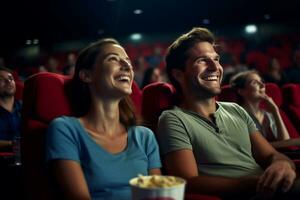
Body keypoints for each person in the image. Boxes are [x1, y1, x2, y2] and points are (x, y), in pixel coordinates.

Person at [156, 27, 299, 199]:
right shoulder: (173, 118)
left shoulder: (236, 109)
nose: (214, 67)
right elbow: (189, 180)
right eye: (202, 60)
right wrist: (257, 183)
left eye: (216, 59)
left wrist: (282, 164)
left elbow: (270, 155)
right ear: (179, 75)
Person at [46, 38, 161, 200]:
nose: (127, 66)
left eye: (128, 61)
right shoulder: (65, 129)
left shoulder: (145, 136)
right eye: (113, 59)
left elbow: (157, 195)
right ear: (86, 75)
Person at [230, 70, 290, 142]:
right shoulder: (237, 115)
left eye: (261, 81)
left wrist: (275, 111)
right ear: (241, 92)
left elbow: (285, 141)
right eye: (255, 83)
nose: (262, 85)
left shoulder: (268, 114)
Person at [0, 66, 22, 151]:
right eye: (1, 79)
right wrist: (13, 144)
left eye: (10, 78)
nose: (8, 81)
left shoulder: (26, 107)